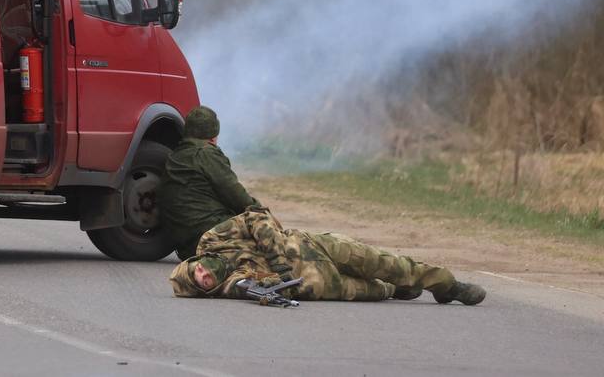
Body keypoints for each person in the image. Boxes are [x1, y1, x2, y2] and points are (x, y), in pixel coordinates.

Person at [169, 207, 486, 305]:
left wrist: (277, 260)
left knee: (382, 262)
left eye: (199, 272)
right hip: (320, 284)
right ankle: (397, 288)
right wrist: (262, 290)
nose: (206, 275)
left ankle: (447, 286)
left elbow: (256, 217)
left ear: (194, 263)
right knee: (377, 291)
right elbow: (253, 288)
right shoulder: (231, 285)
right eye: (204, 282)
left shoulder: (213, 239)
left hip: (312, 246)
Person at [157, 105, 259, 259]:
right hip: (212, 238)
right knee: (267, 233)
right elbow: (237, 197)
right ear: (212, 137)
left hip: (188, 248)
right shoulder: (206, 153)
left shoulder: (175, 156)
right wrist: (261, 212)